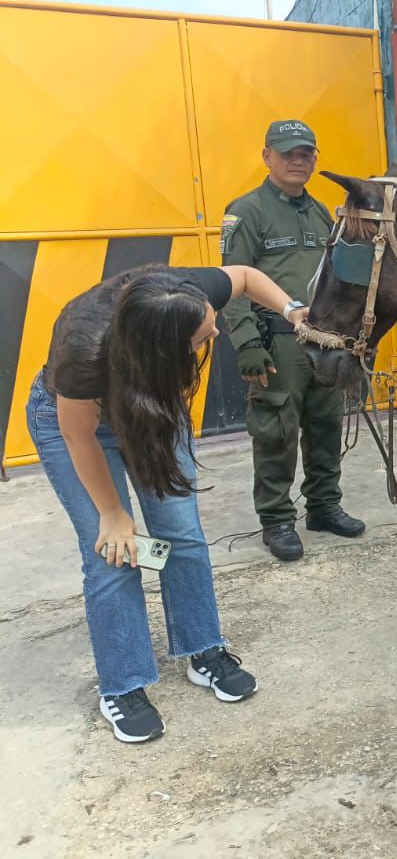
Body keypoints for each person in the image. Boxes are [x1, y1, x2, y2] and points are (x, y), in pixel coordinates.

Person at [26, 264, 308, 743]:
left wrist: (292, 309)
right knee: (113, 554)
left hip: (151, 406)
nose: (213, 332)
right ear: (159, 345)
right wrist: (114, 515)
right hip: (77, 426)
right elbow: (79, 437)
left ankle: (203, 650)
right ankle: (124, 684)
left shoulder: (187, 296)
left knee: (182, 534)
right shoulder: (85, 349)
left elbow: (241, 275)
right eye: (200, 339)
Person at [221, 120, 365, 561]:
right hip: (277, 343)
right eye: (288, 153)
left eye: (306, 154)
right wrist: (247, 342)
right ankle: (277, 519)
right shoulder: (247, 212)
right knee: (276, 431)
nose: (297, 161)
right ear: (267, 156)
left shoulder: (322, 212)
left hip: (323, 342)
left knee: (325, 425)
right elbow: (232, 284)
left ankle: (323, 506)